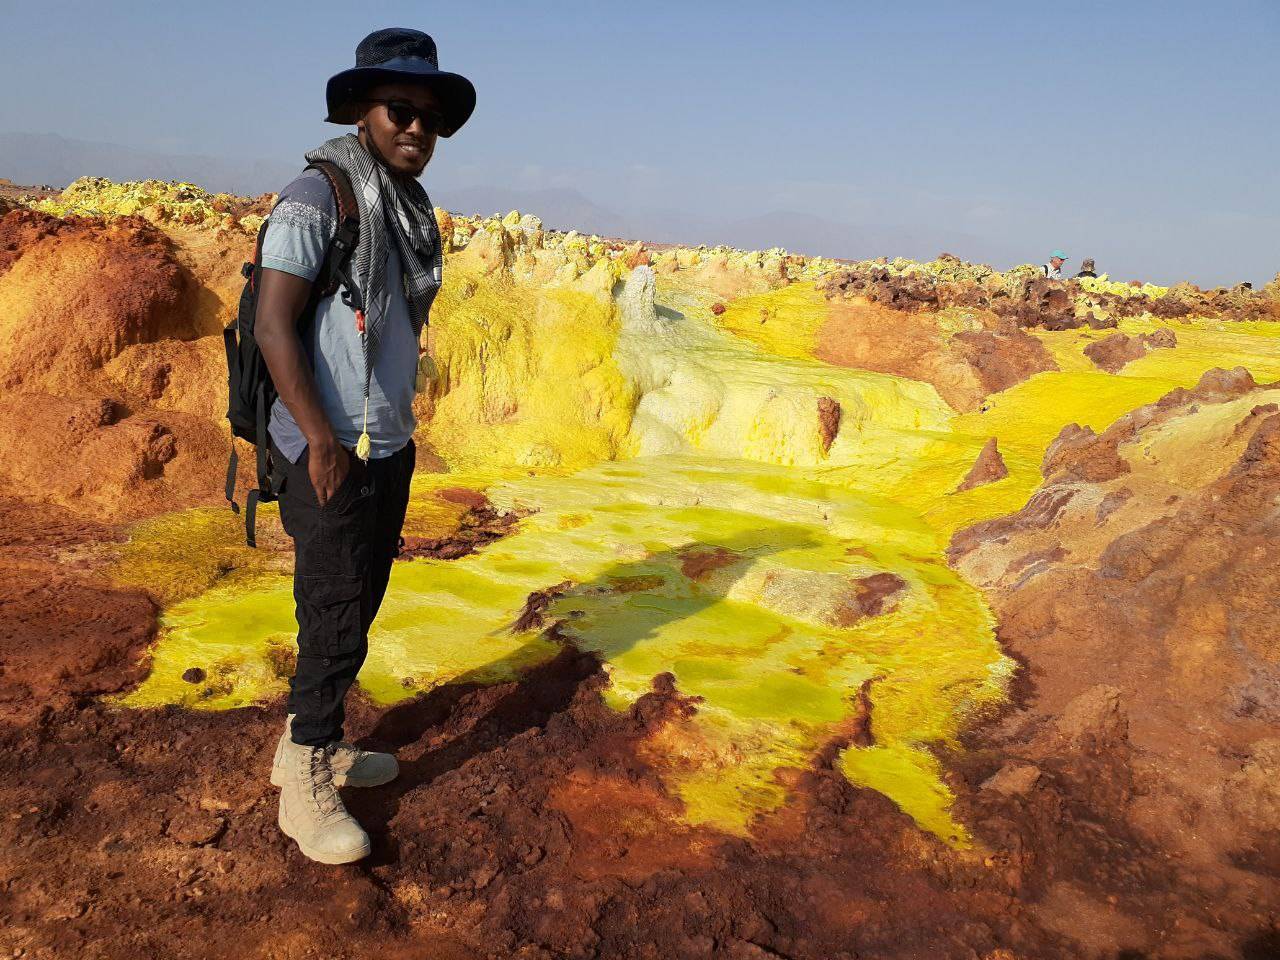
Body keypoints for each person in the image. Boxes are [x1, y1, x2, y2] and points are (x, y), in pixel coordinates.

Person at [254, 27, 475, 865]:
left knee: (360, 602)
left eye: (429, 117)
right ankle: (306, 789)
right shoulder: (317, 197)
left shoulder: (407, 212)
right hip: (329, 449)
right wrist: (320, 440)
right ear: (362, 112)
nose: (416, 128)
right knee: (333, 617)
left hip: (386, 444)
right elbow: (273, 325)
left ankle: (309, 747)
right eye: (399, 110)